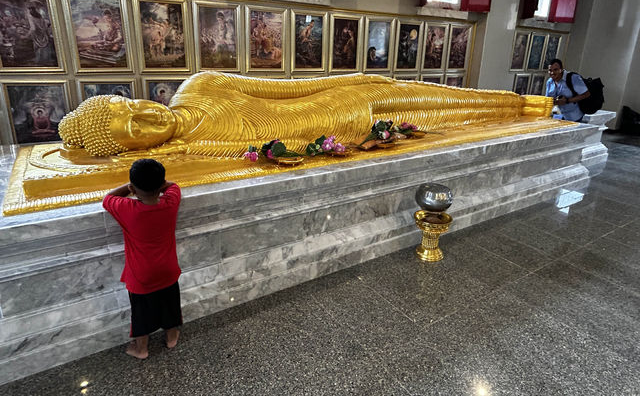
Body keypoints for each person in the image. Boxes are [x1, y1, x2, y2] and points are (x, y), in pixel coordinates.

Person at [59, 71, 553, 159]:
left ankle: (522, 105)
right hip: (349, 135)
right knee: (439, 122)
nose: (150, 120)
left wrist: (351, 81)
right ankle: (516, 110)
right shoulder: (195, 148)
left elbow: (287, 89)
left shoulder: (202, 86)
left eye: (136, 109)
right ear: (133, 148)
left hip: (339, 102)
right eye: (137, 131)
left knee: (446, 101)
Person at [103, 159, 182, 359]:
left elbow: (107, 198)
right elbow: (173, 186)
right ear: (160, 183)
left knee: (141, 313)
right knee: (170, 304)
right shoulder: (170, 203)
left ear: (133, 188)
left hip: (141, 275)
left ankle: (141, 349)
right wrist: (157, 183)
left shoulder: (128, 209)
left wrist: (130, 188)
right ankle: (171, 338)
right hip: (169, 269)